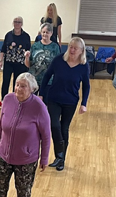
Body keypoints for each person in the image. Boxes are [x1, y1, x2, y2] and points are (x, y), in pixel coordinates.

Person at [39, 37, 90, 171]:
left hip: (71, 101)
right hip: (54, 98)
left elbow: (86, 86)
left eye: (75, 48)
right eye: (70, 47)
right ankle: (59, 155)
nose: (72, 50)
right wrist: (42, 93)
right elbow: (46, 76)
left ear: (81, 51)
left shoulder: (84, 66)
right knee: (54, 124)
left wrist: (84, 103)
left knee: (64, 128)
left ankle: (61, 159)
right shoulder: (59, 60)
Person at [0, 17, 31, 107]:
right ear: (13, 23)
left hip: (20, 64)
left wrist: (27, 60)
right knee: (6, 81)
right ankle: (3, 100)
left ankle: (15, 100)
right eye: (15, 22)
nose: (17, 24)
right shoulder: (8, 35)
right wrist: (0, 61)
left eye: (19, 22)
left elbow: (28, 50)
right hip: (8, 62)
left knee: (17, 83)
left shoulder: (26, 36)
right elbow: (3, 49)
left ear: (22, 24)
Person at [25, 23, 61, 93]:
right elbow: (29, 65)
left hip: (49, 80)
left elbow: (58, 65)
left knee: (45, 102)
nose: (45, 34)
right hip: (34, 80)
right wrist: (26, 58)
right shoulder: (35, 45)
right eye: (43, 32)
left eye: (47, 32)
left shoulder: (55, 47)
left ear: (51, 33)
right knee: (32, 101)